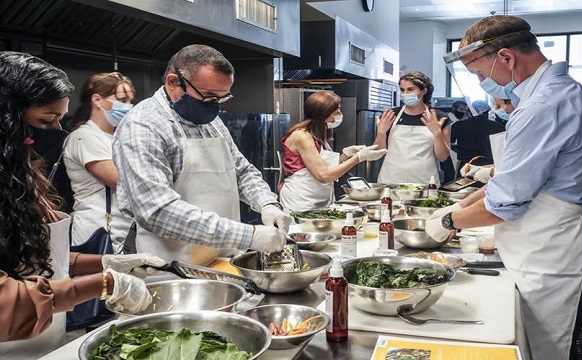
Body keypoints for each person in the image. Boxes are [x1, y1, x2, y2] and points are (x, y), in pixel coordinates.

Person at [428, 15, 582, 360]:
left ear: (507, 58)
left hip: (551, 251)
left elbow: (503, 203)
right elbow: (510, 181)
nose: (483, 83)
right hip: (546, 240)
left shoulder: (543, 106)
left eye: (481, 74)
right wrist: (460, 205)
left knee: (544, 350)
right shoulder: (558, 94)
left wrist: (447, 221)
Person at [0, 51, 164, 358]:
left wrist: (103, 263)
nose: (57, 130)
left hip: (42, 338)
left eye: (59, 118)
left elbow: (30, 254)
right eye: (46, 120)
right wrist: (102, 283)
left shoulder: (17, 172)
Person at [112, 45, 293, 266]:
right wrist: (249, 236)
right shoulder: (143, 125)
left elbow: (241, 171)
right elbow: (158, 211)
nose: (213, 106)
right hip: (168, 268)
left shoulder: (212, 123)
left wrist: (267, 205)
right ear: (173, 82)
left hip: (220, 259)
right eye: (208, 96)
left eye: (220, 98)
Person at [278, 91, 386, 212]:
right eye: (337, 112)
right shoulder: (302, 136)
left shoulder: (318, 134)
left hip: (318, 198)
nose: (340, 115)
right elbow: (323, 175)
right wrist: (358, 158)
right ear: (323, 114)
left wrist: (345, 156)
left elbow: (321, 166)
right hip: (302, 200)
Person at [64, 72, 136, 253]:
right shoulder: (84, 137)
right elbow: (120, 182)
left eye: (129, 101)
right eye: (122, 100)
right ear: (97, 100)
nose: (128, 106)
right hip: (98, 231)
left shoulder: (116, 137)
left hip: (122, 229)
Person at [374, 71, 451, 185]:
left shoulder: (438, 118)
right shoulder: (390, 115)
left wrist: (437, 133)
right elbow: (377, 153)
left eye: (410, 89)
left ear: (423, 91)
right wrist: (381, 132)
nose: (405, 93)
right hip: (390, 182)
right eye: (402, 90)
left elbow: (443, 157)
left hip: (425, 183)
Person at [451, 100, 505, 175]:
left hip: (466, 166)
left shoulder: (457, 126)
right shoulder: (498, 126)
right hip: (488, 167)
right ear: (488, 112)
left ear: (470, 112)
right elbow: (502, 148)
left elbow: (449, 143)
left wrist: (459, 149)